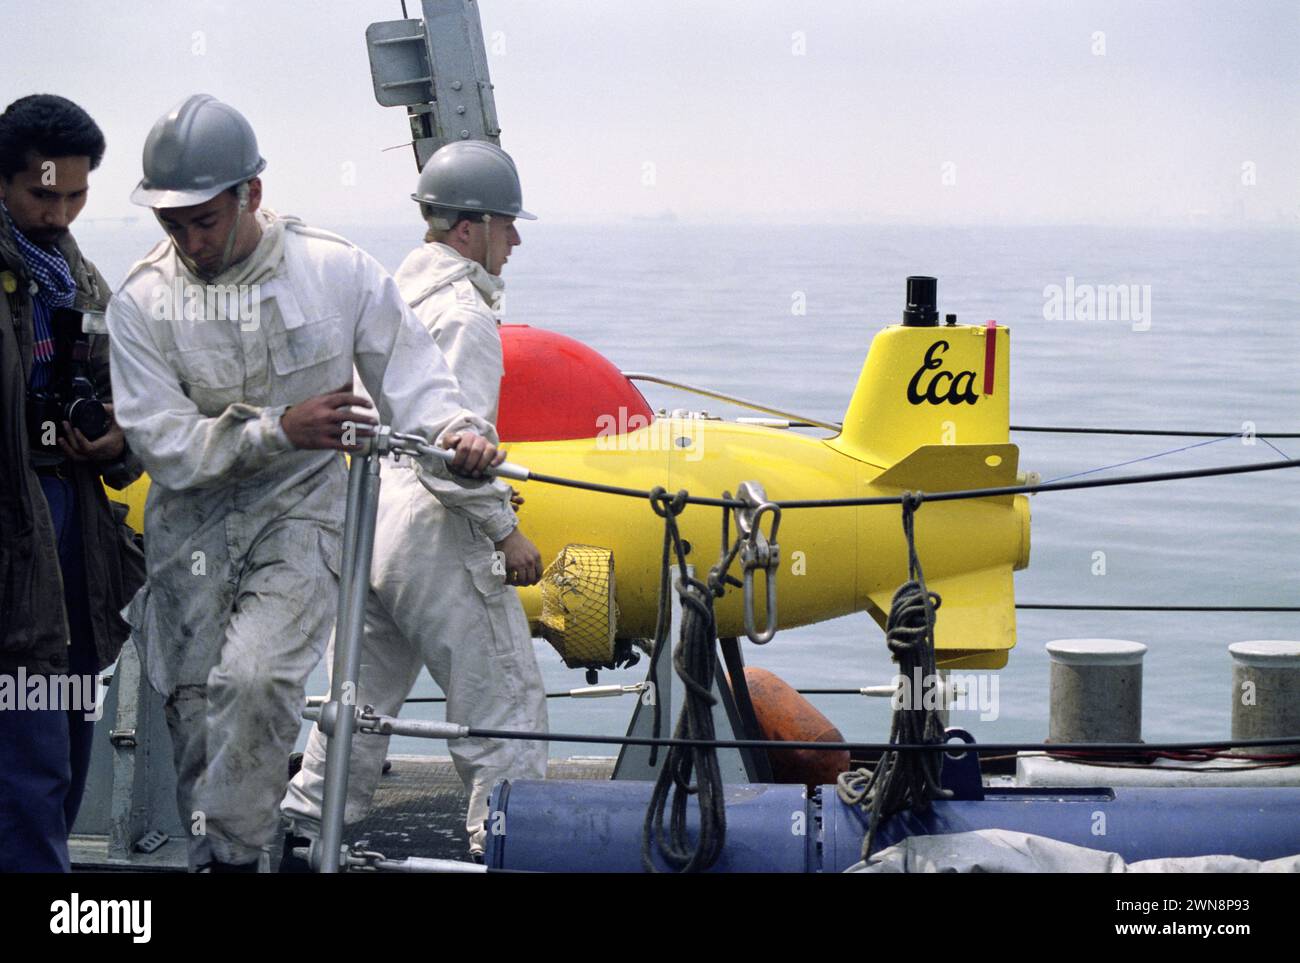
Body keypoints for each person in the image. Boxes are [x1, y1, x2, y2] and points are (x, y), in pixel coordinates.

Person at [106, 95, 506, 872]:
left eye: (204, 220)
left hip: (298, 514)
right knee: (197, 712)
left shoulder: (334, 271)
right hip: (188, 522)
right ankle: (228, 845)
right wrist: (276, 427)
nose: (189, 242)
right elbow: (164, 444)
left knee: (255, 680)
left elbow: (416, 378)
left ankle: (233, 860)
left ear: (251, 194)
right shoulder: (142, 303)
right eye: (172, 225)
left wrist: (456, 434)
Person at [282, 140, 548, 862]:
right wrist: (504, 531)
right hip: (433, 534)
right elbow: (447, 447)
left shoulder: (398, 300)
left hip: (370, 530)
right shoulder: (465, 316)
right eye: (505, 223)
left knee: (352, 713)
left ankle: (299, 838)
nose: (515, 239)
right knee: (505, 714)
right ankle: (509, 848)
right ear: (468, 230)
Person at [0, 94, 146, 872]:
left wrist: (119, 437)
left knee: (66, 739)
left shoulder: (75, 277)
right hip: (15, 533)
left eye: (75, 195)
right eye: (41, 194)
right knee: (27, 764)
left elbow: (132, 394)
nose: (58, 212)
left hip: (72, 529)